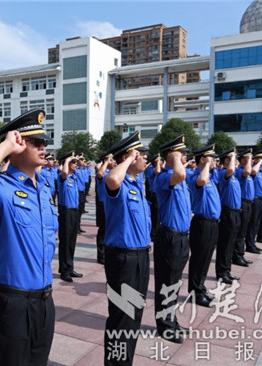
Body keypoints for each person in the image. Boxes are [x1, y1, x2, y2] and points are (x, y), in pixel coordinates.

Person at [0, 109, 57, 366]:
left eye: (44, 142)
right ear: (18, 145)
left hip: (45, 300)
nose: (43, 147)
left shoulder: (44, 188)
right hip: (12, 302)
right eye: (35, 142)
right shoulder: (2, 187)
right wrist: (5, 146)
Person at [102, 131, 150, 365]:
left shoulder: (136, 183)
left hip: (140, 257)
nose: (145, 159)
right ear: (128, 158)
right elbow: (111, 180)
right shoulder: (117, 183)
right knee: (122, 318)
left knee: (134, 316)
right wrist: (129, 159)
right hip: (123, 258)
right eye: (141, 155)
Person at [153, 134, 191, 344]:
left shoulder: (179, 175)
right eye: (181, 152)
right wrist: (174, 158)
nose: (185, 155)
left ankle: (171, 319)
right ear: (171, 155)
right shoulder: (163, 177)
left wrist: (176, 157)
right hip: (169, 237)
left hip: (181, 237)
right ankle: (165, 325)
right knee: (167, 282)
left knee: (174, 282)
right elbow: (179, 174)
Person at [187, 144, 220, 308]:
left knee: (206, 258)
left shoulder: (211, 177)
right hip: (202, 223)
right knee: (199, 259)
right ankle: (195, 292)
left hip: (212, 223)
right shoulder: (196, 177)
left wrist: (209, 165)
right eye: (211, 158)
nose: (215, 161)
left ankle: (200, 286)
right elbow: (201, 180)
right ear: (203, 159)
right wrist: (206, 164)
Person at [215, 148, 244, 284]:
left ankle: (227, 271)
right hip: (227, 213)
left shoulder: (233, 177)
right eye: (234, 159)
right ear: (227, 161)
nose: (236, 162)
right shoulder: (223, 174)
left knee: (231, 243)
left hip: (235, 212)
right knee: (225, 244)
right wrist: (232, 157)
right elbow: (230, 170)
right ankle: (222, 272)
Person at [57, 151, 83, 282]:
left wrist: (74, 159)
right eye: (73, 162)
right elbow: (64, 173)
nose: (76, 164)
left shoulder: (74, 177)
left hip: (74, 211)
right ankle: (64, 270)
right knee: (65, 241)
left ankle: (70, 267)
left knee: (72, 241)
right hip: (65, 212)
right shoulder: (62, 177)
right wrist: (66, 161)